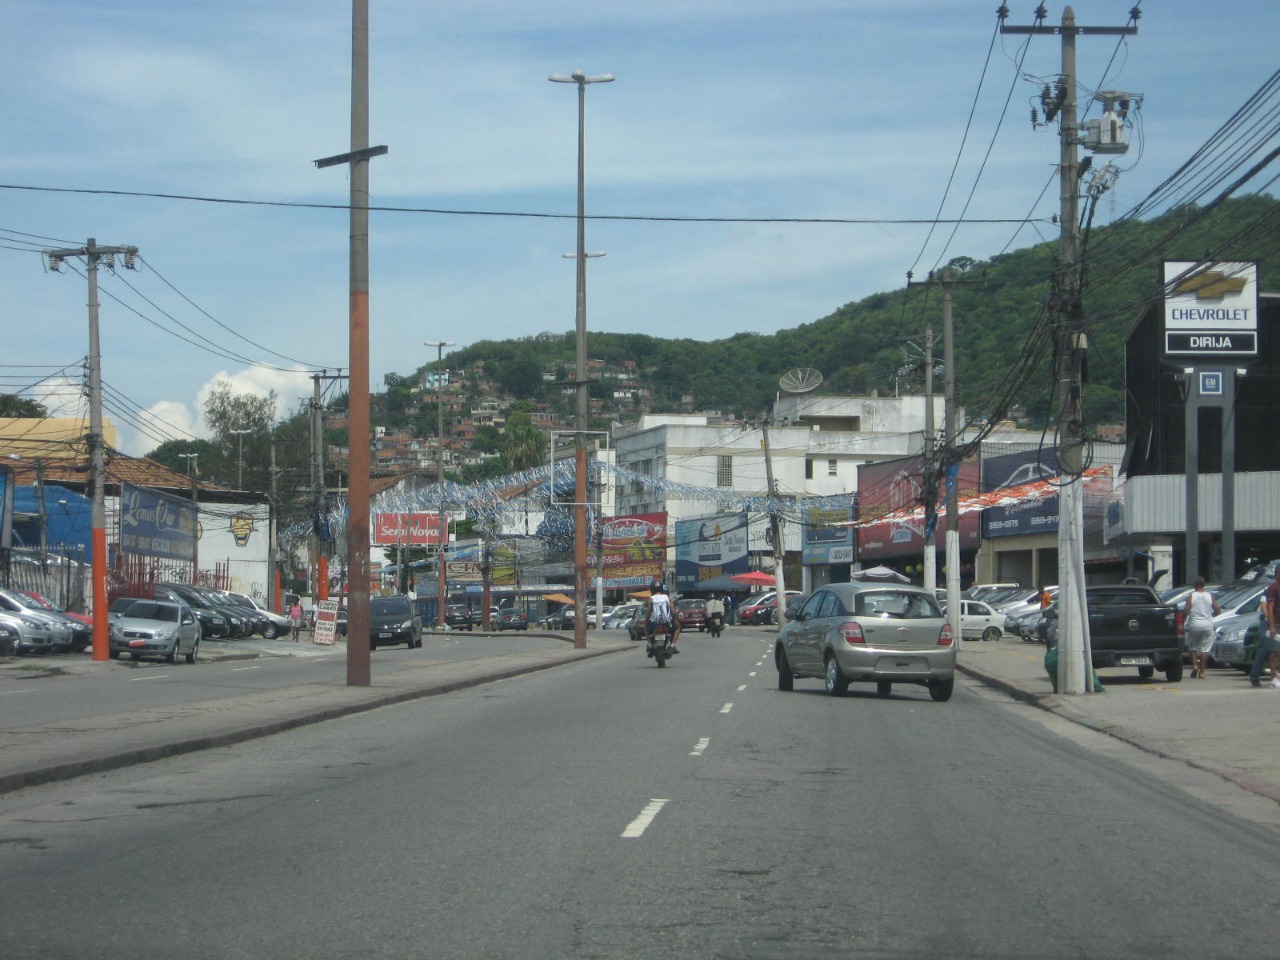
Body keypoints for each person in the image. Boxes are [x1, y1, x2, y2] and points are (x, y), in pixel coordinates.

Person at [1182, 577, 1220, 679]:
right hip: (1207, 624)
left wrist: (1183, 619)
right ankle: (1202, 672)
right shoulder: (1209, 596)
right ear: (1204, 586)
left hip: (1194, 624)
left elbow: (1186, 611)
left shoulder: (1192, 596)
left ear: (1194, 586)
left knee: (1193, 646)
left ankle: (1194, 665)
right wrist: (1211, 615)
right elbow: (1218, 610)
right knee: (1205, 649)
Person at [1249, 568, 1280, 687]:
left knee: (1275, 650)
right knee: (1265, 650)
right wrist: (1270, 624)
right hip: (1269, 624)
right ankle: (1255, 677)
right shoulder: (1271, 588)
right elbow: (1264, 606)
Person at [644, 582, 679, 655]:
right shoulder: (668, 598)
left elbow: (648, 612)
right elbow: (673, 611)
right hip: (666, 622)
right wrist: (674, 619)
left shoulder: (651, 598)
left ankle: (650, 644)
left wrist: (646, 620)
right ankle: (672, 645)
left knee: (645, 627)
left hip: (654, 623)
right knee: (677, 627)